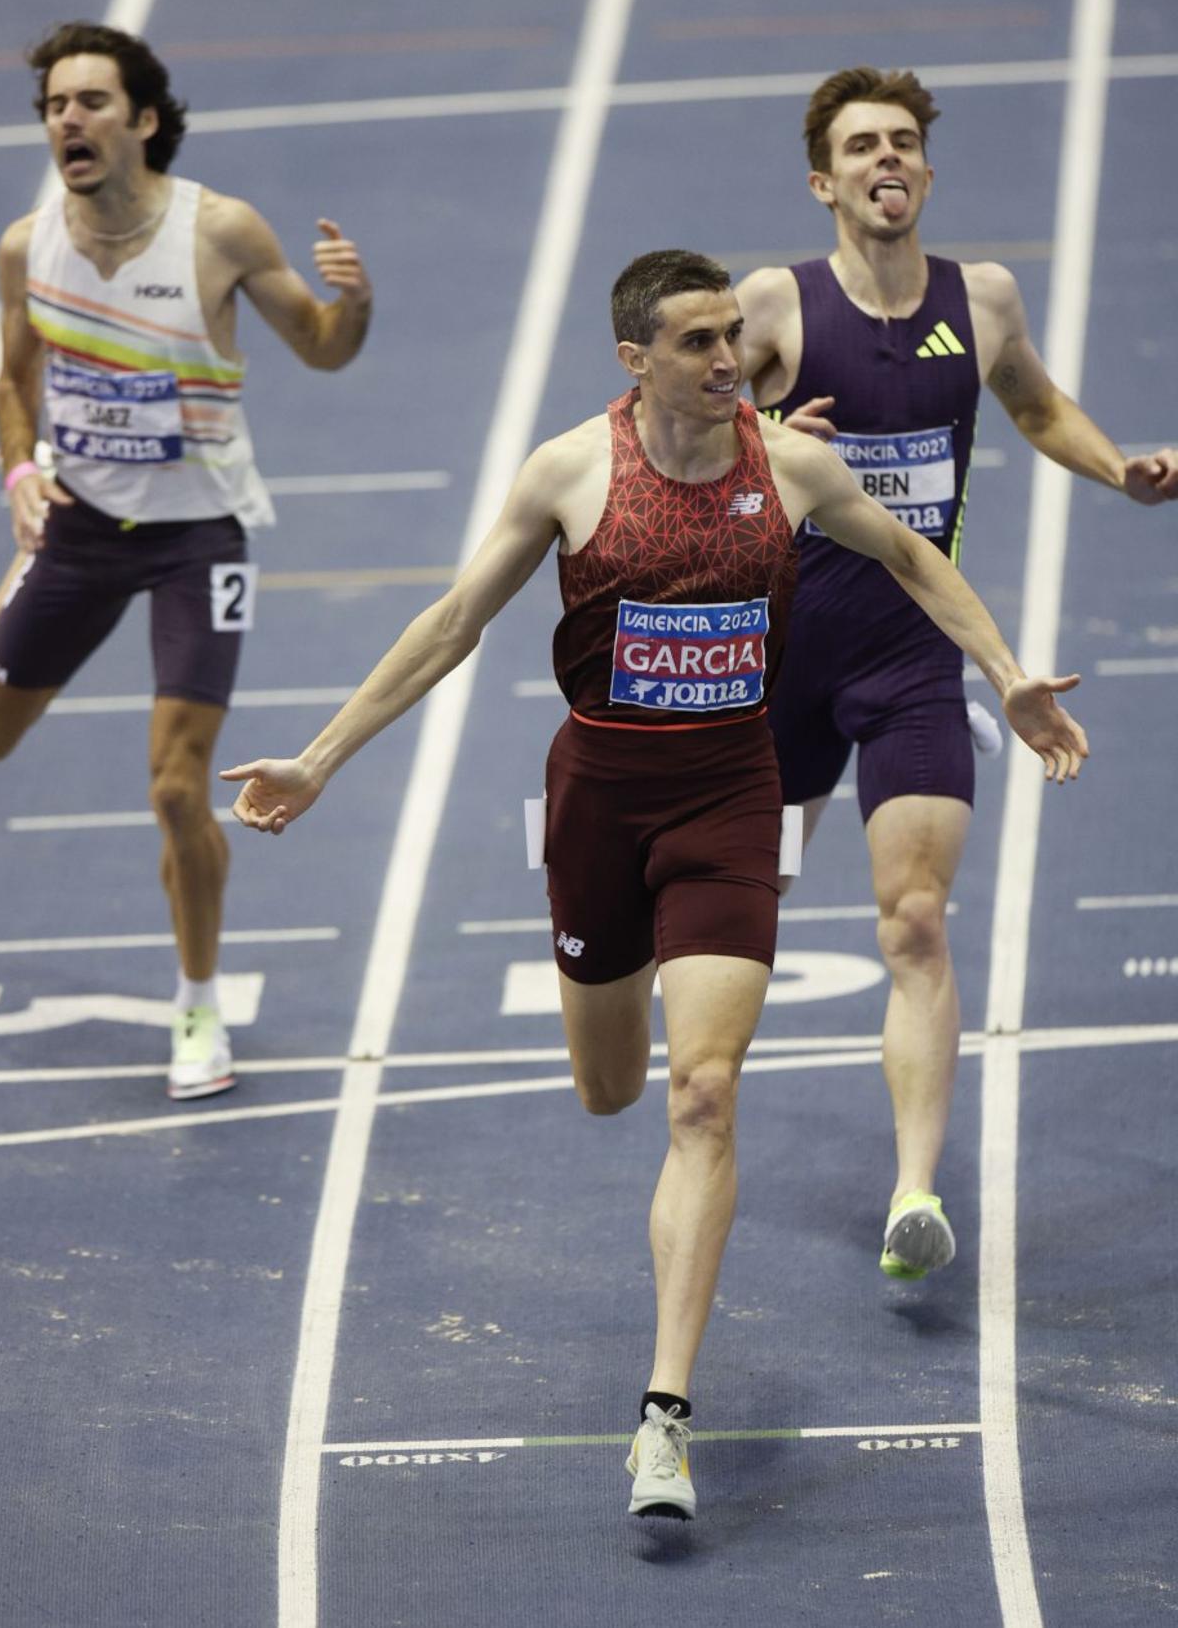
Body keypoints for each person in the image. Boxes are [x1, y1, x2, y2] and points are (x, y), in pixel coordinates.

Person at [221, 248, 1087, 1519]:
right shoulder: (572, 471)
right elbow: (455, 622)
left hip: (734, 795)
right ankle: (613, 1035)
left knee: (703, 1092)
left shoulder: (787, 463)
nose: (729, 360)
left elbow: (909, 554)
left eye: (733, 335)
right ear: (636, 359)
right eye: (698, 342)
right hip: (599, 805)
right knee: (608, 1086)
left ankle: (665, 1414)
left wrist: (1002, 668)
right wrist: (317, 760)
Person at [735, 66, 1178, 1283]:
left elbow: (1034, 407)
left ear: (925, 171)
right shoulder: (773, 303)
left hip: (914, 655)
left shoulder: (981, 300)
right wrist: (766, 442)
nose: (888, 158)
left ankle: (914, 1192)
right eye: (861, 145)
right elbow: (663, 427)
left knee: (916, 920)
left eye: (904, 142)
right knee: (731, 920)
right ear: (823, 180)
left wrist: (1118, 467)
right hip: (779, 663)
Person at [0, 21, 372, 1101]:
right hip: (78, 530)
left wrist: (357, 300)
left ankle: (197, 1007)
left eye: (92, 101)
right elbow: (15, 378)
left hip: (197, 541)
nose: (69, 118)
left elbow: (324, 349)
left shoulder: (220, 233)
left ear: (143, 120)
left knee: (172, 786)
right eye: (56, 104)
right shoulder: (28, 246)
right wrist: (20, 477)